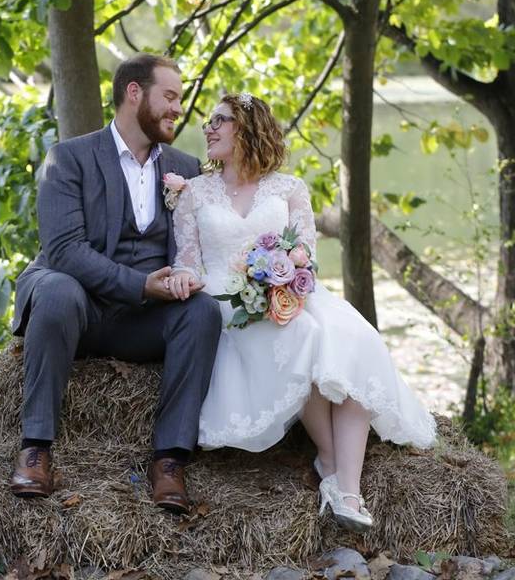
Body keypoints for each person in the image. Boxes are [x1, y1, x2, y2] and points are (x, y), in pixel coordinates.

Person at [165, 92, 437, 531]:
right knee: (301, 334)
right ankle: (330, 460)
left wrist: (287, 270)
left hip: (286, 290)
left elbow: (305, 249)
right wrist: (181, 278)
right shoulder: (193, 193)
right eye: (208, 121)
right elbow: (189, 262)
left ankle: (347, 488)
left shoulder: (289, 188)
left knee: (355, 338)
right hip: (227, 303)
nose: (208, 128)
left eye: (219, 120)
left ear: (247, 129)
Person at [9, 53, 222, 515]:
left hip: (142, 321)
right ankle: (36, 448)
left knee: (202, 312)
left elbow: (198, 248)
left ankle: (170, 460)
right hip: (78, 309)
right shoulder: (68, 158)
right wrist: (142, 284)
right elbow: (64, 250)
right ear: (133, 93)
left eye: (180, 100)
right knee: (58, 287)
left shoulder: (185, 169)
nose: (176, 109)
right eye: (169, 97)